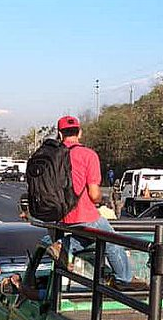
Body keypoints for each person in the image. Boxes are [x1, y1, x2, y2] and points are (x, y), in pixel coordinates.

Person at [54, 115, 131, 282]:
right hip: (84, 213)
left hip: (59, 214)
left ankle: (61, 245)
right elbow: (94, 194)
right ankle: (124, 280)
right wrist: (100, 200)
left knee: (87, 238)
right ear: (80, 133)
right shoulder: (88, 155)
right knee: (112, 241)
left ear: (60, 134)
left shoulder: (53, 156)